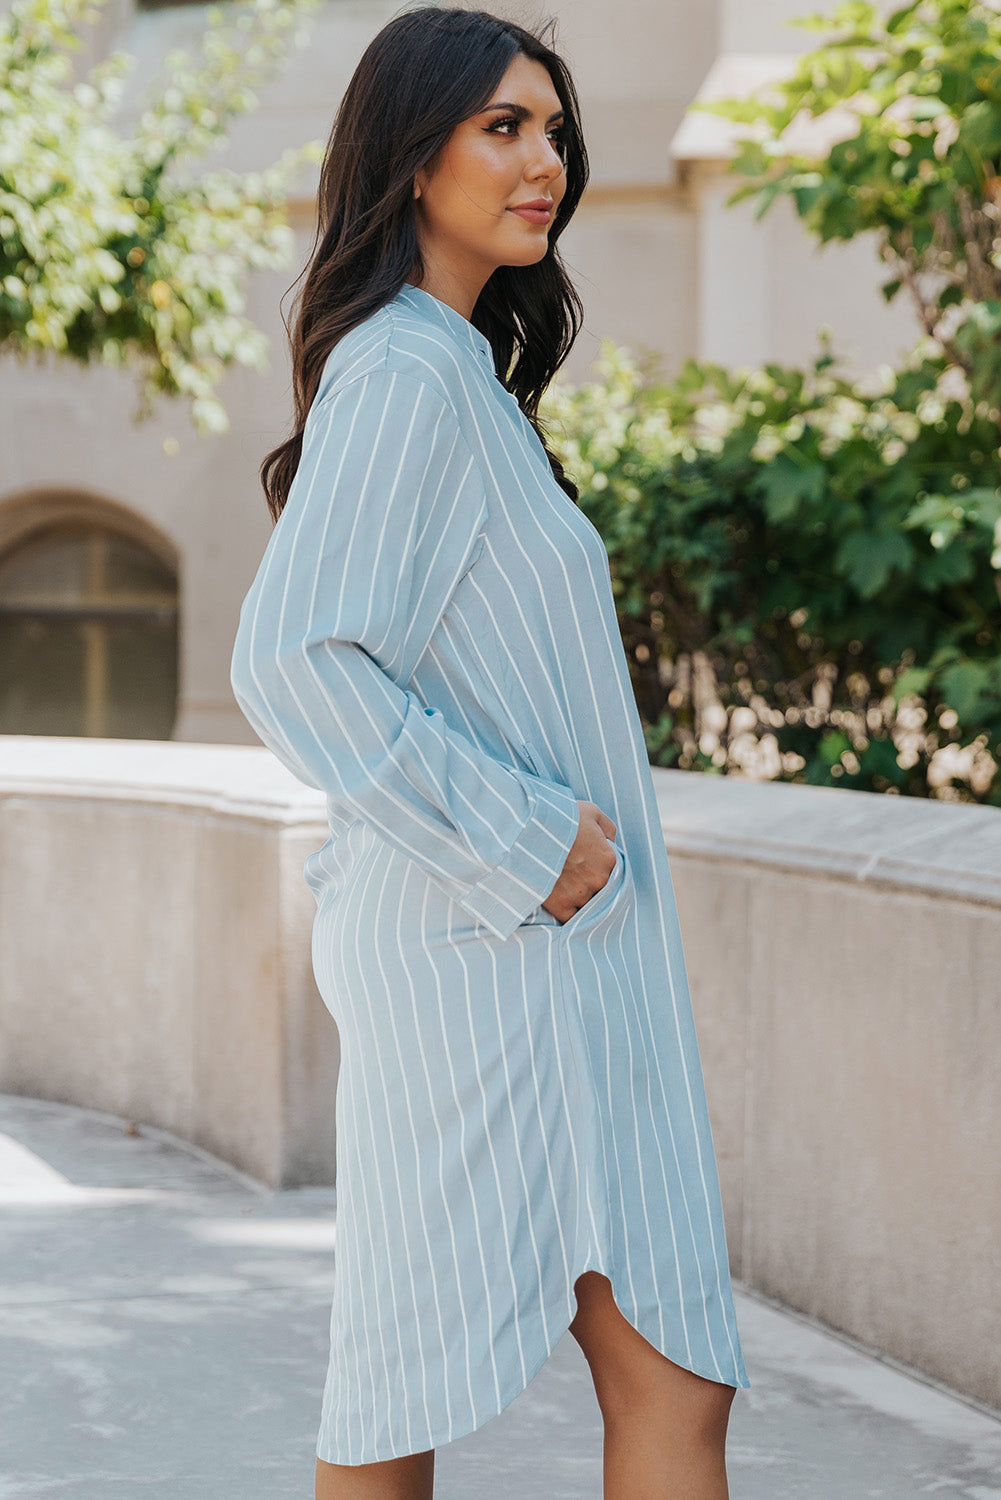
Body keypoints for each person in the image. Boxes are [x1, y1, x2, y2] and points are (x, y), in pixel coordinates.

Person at [229, 8, 750, 1497]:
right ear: (410, 158)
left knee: (660, 1373)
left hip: (547, 953)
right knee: (424, 1381)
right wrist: (530, 840)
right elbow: (290, 661)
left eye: (555, 129)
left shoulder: (459, 377)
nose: (546, 162)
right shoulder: (402, 375)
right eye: (501, 128)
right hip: (489, 953)